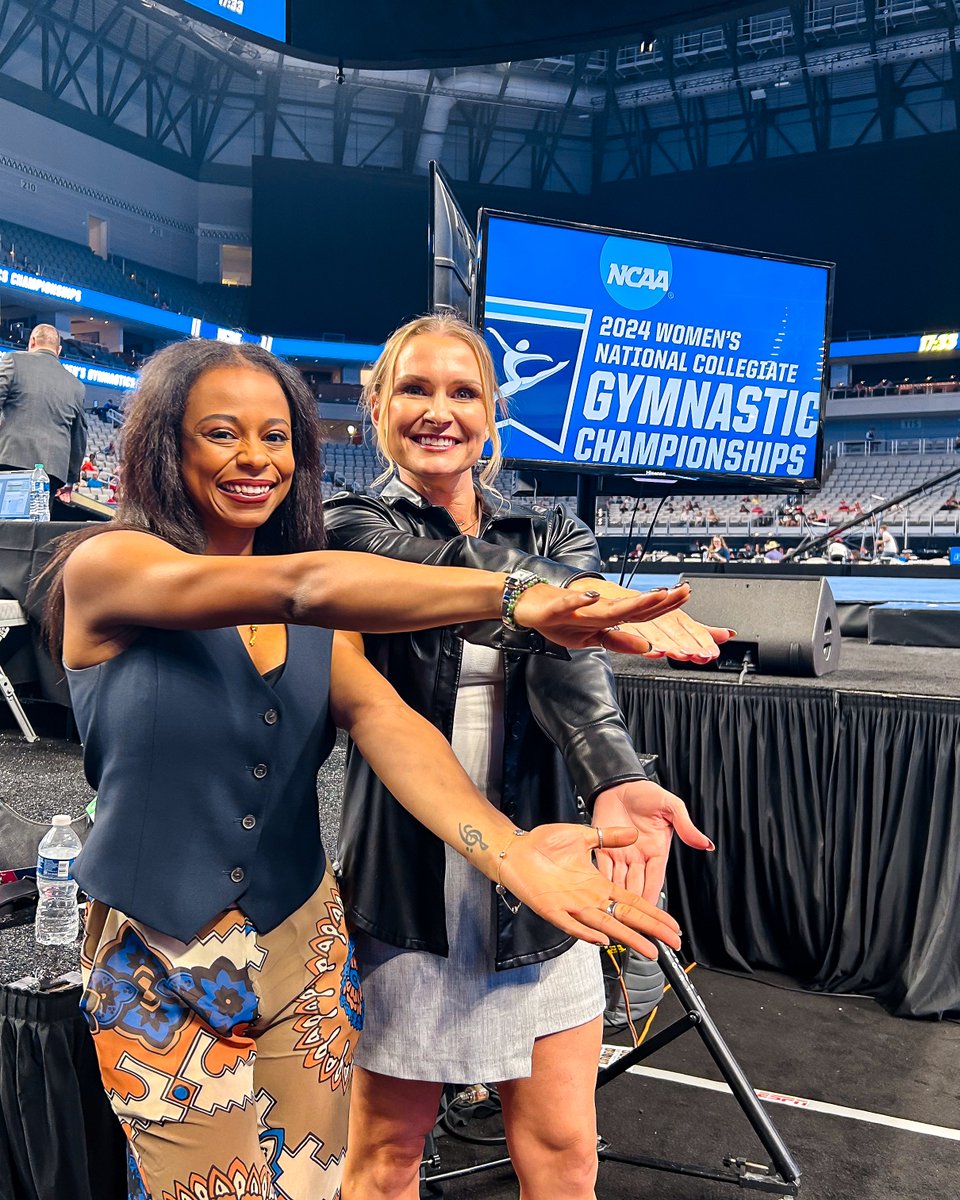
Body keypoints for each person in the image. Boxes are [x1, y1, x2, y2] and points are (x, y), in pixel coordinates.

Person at [35, 338, 704, 1200]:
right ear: (167, 444)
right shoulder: (109, 566)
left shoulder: (324, 611)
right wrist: (516, 595)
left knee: (317, 1187)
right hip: (161, 957)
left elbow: (392, 727)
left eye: (276, 438)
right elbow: (305, 585)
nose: (254, 459)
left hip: (306, 944)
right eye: (220, 434)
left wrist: (512, 857)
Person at [323, 315, 732, 1200]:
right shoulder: (345, 522)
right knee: (387, 1155)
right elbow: (425, 570)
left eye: (463, 391)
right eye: (416, 389)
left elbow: (573, 673)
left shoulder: (558, 533)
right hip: (407, 877)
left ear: (492, 414)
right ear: (377, 406)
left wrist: (619, 777)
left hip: (543, 869)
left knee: (563, 1150)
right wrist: (553, 590)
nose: (440, 411)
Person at [0, 323, 87, 491]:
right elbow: (79, 437)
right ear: (59, 350)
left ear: (32, 341)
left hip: (8, 460)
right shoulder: (76, 385)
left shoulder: (13, 360)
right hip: (51, 472)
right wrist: (71, 479)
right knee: (38, 517)